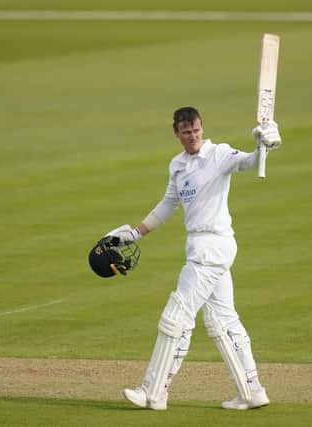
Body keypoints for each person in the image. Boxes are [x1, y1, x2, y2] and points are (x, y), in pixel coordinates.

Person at [107, 106, 281, 410]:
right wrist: (135, 234)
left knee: (176, 315)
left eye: (196, 130)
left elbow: (249, 162)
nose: (193, 137)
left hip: (212, 247)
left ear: (202, 128)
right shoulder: (178, 166)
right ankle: (252, 390)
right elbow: (167, 205)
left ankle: (153, 392)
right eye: (186, 132)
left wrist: (264, 143)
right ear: (176, 133)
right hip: (200, 246)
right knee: (222, 320)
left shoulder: (218, 154)